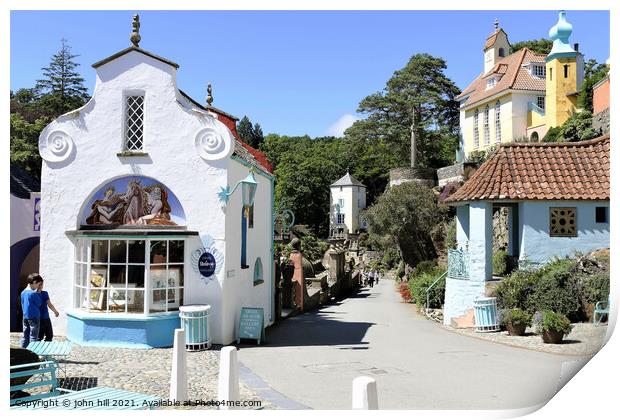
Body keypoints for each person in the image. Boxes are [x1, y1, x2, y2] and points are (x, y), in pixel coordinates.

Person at [20, 273, 43, 348]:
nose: (38, 287)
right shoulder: (33, 294)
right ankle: (33, 354)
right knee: (33, 336)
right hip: (34, 316)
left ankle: (23, 351)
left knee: (25, 335)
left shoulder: (23, 292)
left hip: (25, 316)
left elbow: (22, 304)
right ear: (34, 282)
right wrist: (39, 293)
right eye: (38, 284)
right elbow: (39, 303)